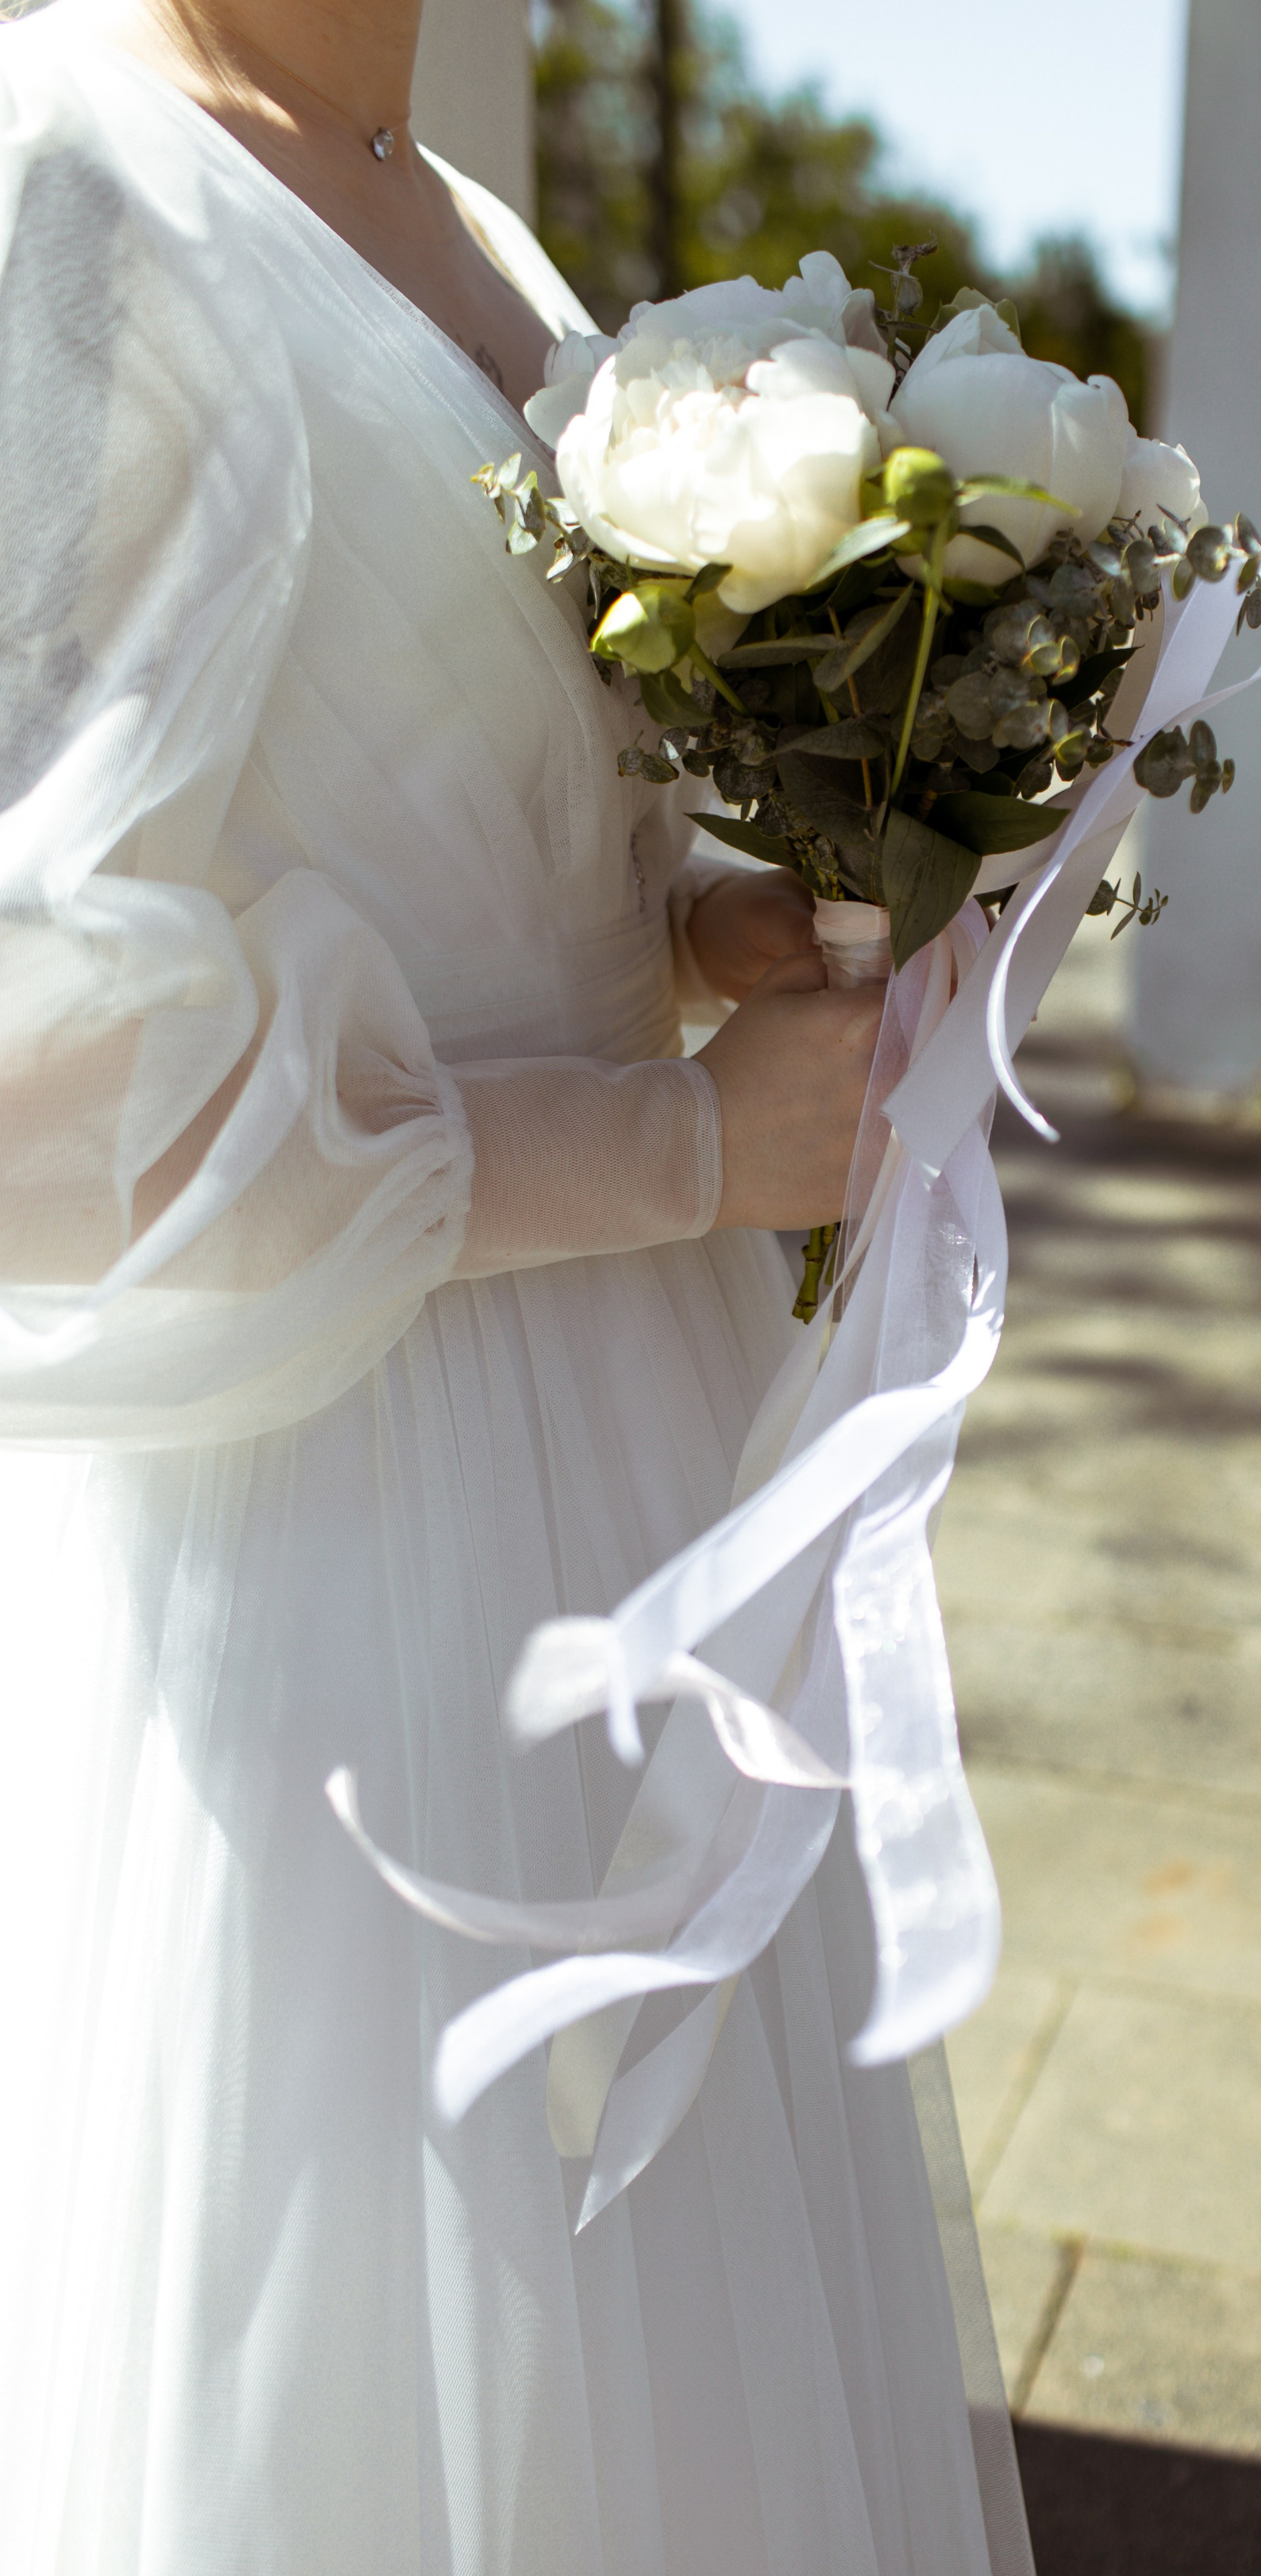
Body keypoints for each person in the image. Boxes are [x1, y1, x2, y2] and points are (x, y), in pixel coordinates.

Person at [0, 2, 1031, 2569]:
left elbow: (477, 853)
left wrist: (723, 926)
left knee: (650, 2355)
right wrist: (671, 1144)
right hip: (327, 1499)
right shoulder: (69, 175)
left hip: (623, 1445)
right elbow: (41, 1080)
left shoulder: (471, 223)